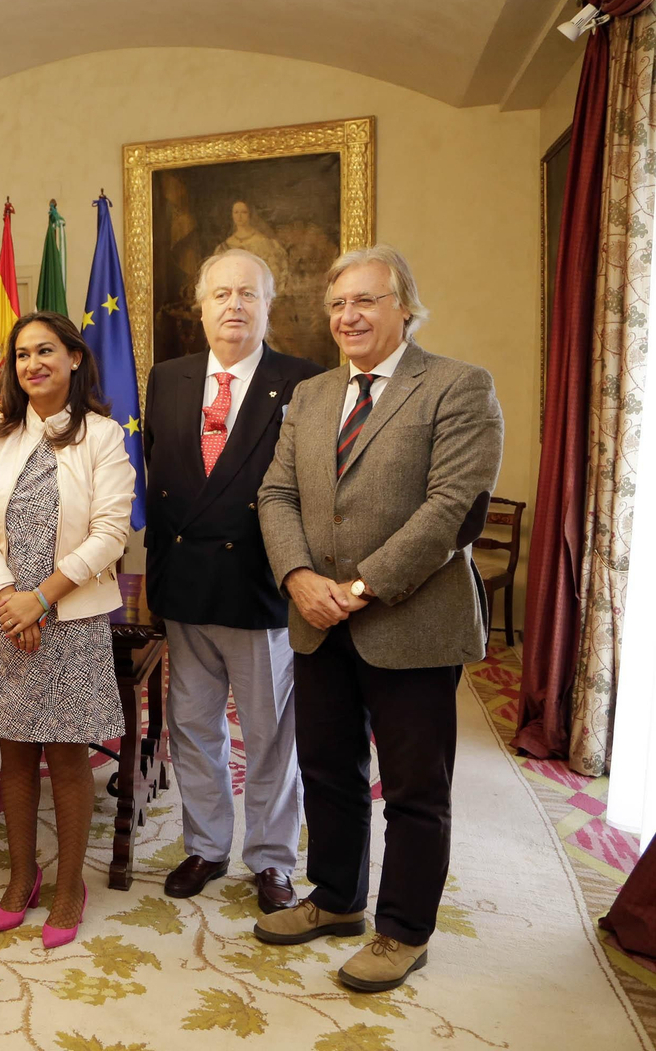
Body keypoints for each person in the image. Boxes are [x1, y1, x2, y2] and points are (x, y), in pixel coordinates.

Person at [256, 245, 503, 992]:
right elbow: (277, 495)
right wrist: (300, 576)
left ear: (404, 306)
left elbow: (449, 511)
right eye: (337, 305)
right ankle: (336, 900)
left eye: (365, 301)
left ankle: (404, 931)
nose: (348, 316)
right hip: (315, 620)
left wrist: (357, 588)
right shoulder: (310, 394)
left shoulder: (458, 386)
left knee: (413, 791)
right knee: (328, 772)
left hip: (412, 623)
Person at [143, 249, 322, 913]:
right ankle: (206, 845)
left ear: (269, 305)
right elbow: (161, 478)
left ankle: (272, 860)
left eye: (248, 294)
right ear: (200, 306)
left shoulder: (304, 381)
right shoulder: (168, 378)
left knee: (271, 736)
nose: (234, 307)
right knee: (192, 727)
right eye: (220, 295)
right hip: (186, 588)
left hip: (262, 590)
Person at [0, 311, 133, 948]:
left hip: (70, 619)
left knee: (65, 756)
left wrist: (43, 601)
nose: (33, 364)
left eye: (46, 351)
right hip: (1, 615)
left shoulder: (105, 437)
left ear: (74, 359)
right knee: (12, 751)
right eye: (23, 354)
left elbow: (112, 532)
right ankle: (22, 874)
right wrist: (8, 597)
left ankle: (68, 886)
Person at [214, 200, 289, 295]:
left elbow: (273, 274)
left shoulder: (263, 242)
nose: (239, 216)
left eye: (244, 212)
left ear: (250, 215)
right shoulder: (225, 246)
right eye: (236, 212)